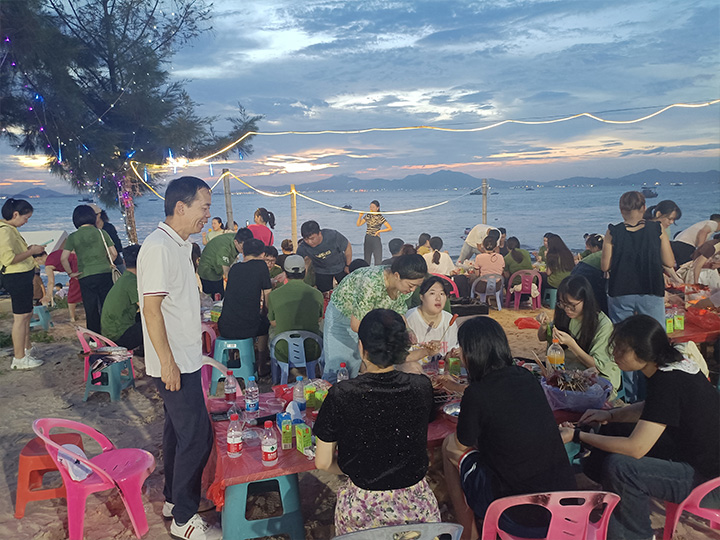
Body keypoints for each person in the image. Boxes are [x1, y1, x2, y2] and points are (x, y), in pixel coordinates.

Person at [563, 315, 720, 540]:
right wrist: (610, 415)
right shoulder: (671, 366)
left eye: (621, 349)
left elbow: (636, 448)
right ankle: (615, 502)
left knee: (621, 467)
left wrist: (578, 435)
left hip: (709, 481)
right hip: (693, 453)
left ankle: (636, 534)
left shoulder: (669, 381)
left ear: (644, 352)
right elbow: (654, 407)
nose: (615, 354)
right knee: (613, 430)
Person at [137, 177, 219, 540]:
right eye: (204, 207)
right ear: (181, 207)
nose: (208, 215)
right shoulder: (159, 247)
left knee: (176, 434)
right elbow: (151, 309)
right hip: (174, 362)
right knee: (197, 437)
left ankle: (174, 501)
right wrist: (167, 362)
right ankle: (184, 520)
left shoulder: (181, 245)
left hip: (186, 358)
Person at [442, 316, 576, 540]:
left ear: (471, 354)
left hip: (518, 513)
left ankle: (468, 534)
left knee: (449, 447)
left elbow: (463, 441)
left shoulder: (477, 394)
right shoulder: (526, 377)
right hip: (564, 505)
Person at [314, 309, 440, 535]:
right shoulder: (421, 386)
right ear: (401, 349)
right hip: (417, 507)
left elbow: (323, 462)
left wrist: (355, 469)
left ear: (361, 347)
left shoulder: (342, 394)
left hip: (363, 508)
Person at [602, 191, 675, 402]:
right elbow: (669, 262)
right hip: (650, 289)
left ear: (621, 210)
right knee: (653, 341)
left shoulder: (613, 231)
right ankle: (653, 391)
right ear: (643, 208)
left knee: (623, 342)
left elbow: (605, 265)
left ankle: (630, 396)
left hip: (620, 290)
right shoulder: (657, 229)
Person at [322, 254, 427, 382]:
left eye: (416, 286)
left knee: (354, 367)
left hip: (370, 318)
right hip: (343, 316)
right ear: (397, 275)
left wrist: (408, 330)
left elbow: (398, 311)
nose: (412, 290)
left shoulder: (402, 287)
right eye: (411, 285)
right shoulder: (370, 284)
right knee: (339, 368)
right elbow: (356, 325)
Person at [536, 275, 621, 394]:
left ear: (586, 300)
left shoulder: (603, 324)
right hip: (568, 374)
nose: (567, 309)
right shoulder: (564, 315)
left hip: (597, 380)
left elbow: (597, 367)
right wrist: (544, 326)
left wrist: (572, 344)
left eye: (572, 305)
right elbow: (542, 337)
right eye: (562, 304)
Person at [0, 198, 46, 370]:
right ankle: (19, 358)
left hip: (22, 276)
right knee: (20, 318)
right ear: (15, 214)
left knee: (26, 315)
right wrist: (31, 252)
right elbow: (9, 259)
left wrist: (29, 250)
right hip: (16, 277)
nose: (26, 222)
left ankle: (26, 349)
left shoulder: (10, 230)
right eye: (26, 218)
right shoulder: (5, 231)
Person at [218, 238, 272, 375]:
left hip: (224, 326)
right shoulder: (261, 266)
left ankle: (232, 359)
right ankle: (261, 365)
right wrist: (266, 312)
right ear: (262, 254)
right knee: (265, 325)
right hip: (247, 327)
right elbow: (267, 295)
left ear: (243, 253)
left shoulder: (235, 268)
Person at [62, 204, 117, 333]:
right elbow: (114, 253)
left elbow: (63, 258)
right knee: (107, 306)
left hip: (85, 275)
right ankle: (110, 334)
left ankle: (94, 338)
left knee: (90, 308)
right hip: (104, 273)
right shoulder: (102, 233)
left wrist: (70, 273)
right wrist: (108, 263)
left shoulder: (73, 236)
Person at [266, 254, 324, 374]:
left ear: (285, 274)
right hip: (312, 350)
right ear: (305, 272)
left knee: (271, 330)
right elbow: (319, 319)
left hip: (283, 351)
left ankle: (278, 374)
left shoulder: (274, 295)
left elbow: (273, 322)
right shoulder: (317, 294)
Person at [404, 276, 459, 370]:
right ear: (421, 297)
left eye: (442, 294)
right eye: (432, 293)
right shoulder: (410, 318)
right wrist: (426, 351)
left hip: (441, 372)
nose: (438, 298)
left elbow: (452, 356)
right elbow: (403, 358)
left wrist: (453, 355)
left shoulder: (449, 319)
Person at [101, 244, 143, 351]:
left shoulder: (126, 278)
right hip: (118, 338)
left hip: (110, 334)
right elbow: (146, 308)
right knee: (156, 322)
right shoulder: (133, 282)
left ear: (124, 262)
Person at [296, 220, 352, 293]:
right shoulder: (303, 247)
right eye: (306, 239)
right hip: (321, 271)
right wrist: (286, 274)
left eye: (312, 238)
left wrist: (348, 265)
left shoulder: (333, 236)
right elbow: (296, 262)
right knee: (324, 294)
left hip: (340, 267)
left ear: (319, 233)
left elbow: (347, 247)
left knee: (347, 291)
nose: (310, 242)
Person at [196, 227, 253, 299]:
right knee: (215, 297)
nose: (245, 250)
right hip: (208, 270)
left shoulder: (239, 238)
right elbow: (226, 272)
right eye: (243, 248)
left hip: (218, 269)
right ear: (236, 242)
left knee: (221, 292)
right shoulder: (224, 249)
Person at [44, 245, 82, 322]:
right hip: (81, 260)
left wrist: (48, 295)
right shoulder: (54, 253)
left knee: (72, 295)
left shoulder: (48, 265)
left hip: (75, 268)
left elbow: (51, 282)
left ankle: (72, 317)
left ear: (37, 259)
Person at [356, 200, 392, 265]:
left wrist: (379, 231)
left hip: (376, 238)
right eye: (370, 207)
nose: (371, 208)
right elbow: (358, 224)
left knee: (378, 259)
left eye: (373, 207)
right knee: (367, 259)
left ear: (377, 208)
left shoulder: (380, 217)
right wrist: (360, 216)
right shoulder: (368, 215)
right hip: (368, 237)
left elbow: (389, 228)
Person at [95, 206, 125, 273]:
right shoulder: (92, 230)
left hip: (115, 262)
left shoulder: (109, 227)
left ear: (99, 214)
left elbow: (118, 246)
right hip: (101, 264)